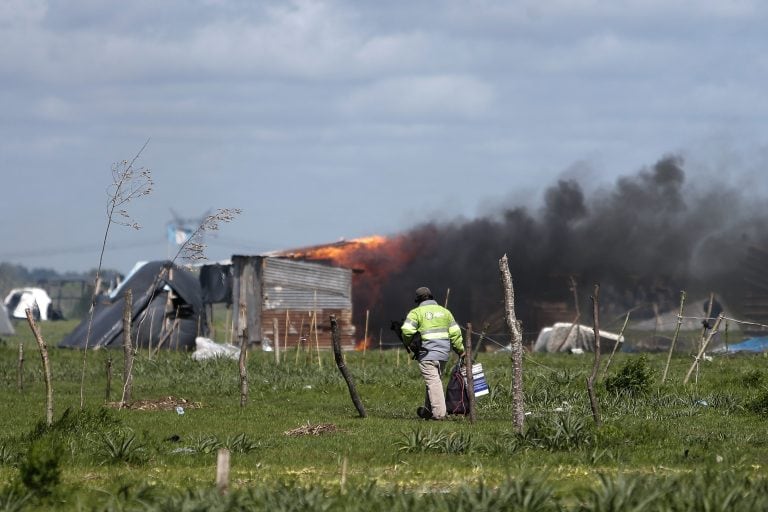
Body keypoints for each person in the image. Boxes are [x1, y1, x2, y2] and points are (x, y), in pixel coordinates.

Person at [401, 286, 464, 420]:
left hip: (427, 354)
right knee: (434, 380)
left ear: (418, 300)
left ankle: (440, 414)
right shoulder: (445, 312)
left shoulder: (416, 313)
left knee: (433, 382)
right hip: (443, 354)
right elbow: (455, 333)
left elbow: (406, 331)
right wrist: (460, 350)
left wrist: (408, 342)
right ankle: (428, 410)